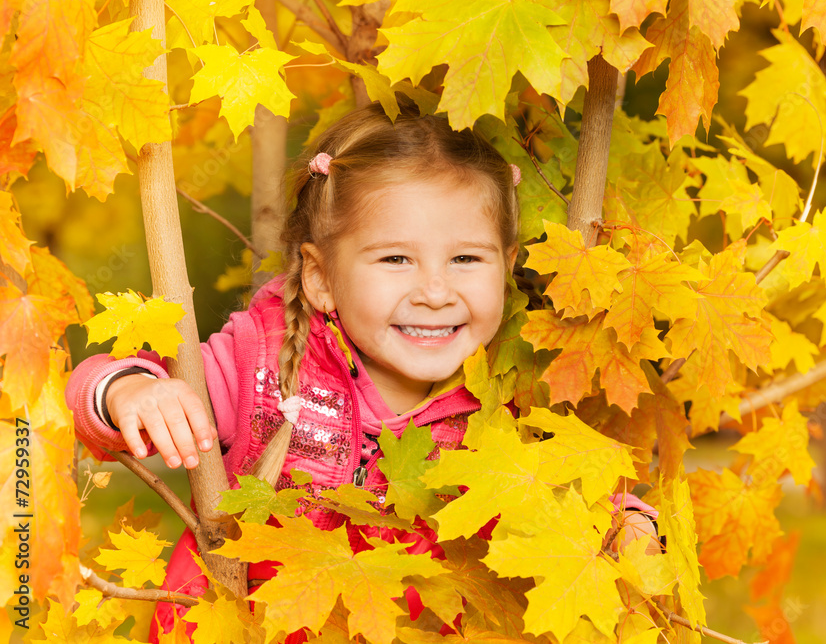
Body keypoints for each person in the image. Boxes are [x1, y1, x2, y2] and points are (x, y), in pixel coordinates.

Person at [66, 102, 657, 641]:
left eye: (466, 259)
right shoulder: (264, 363)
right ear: (321, 278)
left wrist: (626, 525)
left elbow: (557, 503)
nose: (434, 291)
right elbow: (108, 389)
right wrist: (132, 392)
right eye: (396, 259)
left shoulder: (502, 404)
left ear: (504, 267)